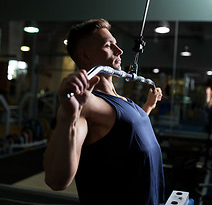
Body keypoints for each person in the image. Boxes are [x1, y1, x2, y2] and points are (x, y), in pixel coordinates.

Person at [43, 19, 165, 205]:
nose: (119, 50)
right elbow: (56, 180)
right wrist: (70, 116)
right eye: (109, 45)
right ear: (85, 56)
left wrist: (148, 106)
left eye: (116, 44)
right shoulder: (86, 104)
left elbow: (126, 132)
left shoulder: (120, 99)